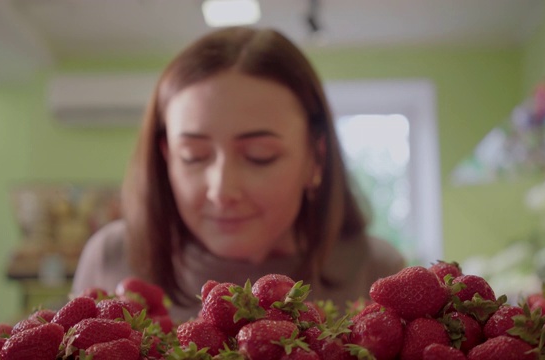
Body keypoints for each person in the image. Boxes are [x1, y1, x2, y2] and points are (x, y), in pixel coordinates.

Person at [72, 26, 406, 322]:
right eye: (194, 156)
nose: (222, 190)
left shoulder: (378, 272)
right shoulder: (110, 257)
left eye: (260, 157)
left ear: (315, 159)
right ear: (166, 159)